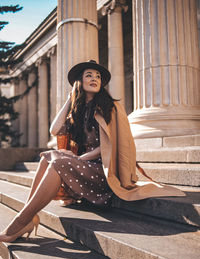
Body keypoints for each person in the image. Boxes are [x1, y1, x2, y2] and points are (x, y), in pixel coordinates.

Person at [0, 60, 185, 243]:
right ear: (79, 82)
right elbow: (54, 130)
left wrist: (80, 157)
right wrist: (69, 99)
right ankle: (29, 216)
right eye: (89, 75)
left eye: (98, 76)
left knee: (58, 161)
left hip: (104, 171)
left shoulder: (110, 107)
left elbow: (111, 144)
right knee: (47, 158)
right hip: (85, 167)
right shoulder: (78, 111)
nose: (95, 78)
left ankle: (21, 220)